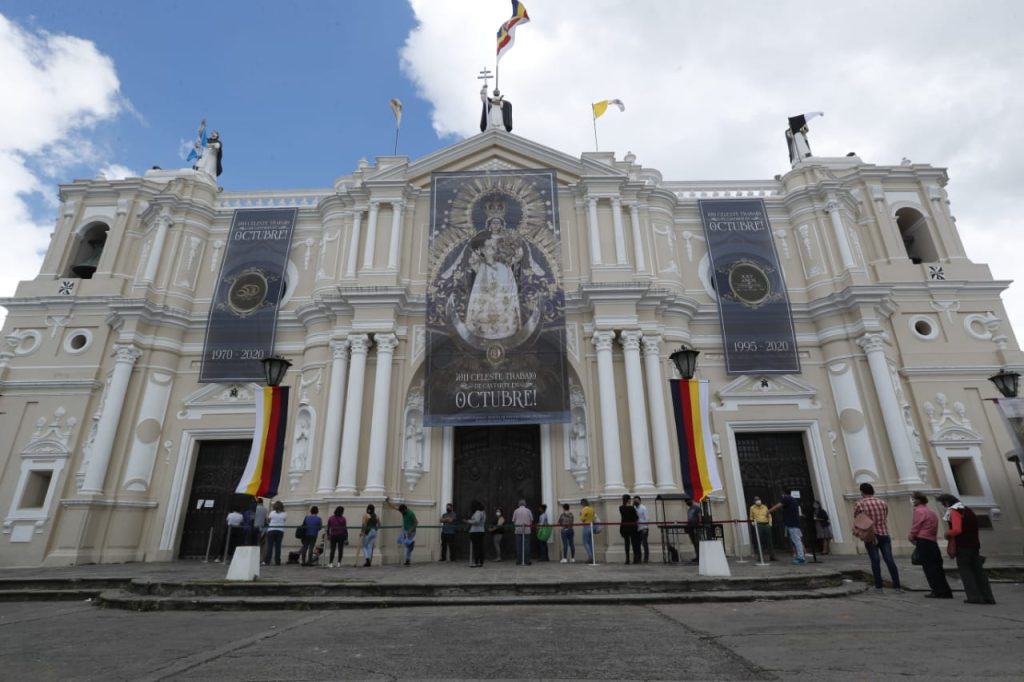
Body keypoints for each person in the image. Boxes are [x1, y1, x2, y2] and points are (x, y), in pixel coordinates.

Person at [937, 493, 995, 605]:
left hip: (963, 545)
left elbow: (957, 530)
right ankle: (988, 596)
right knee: (979, 571)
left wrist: (947, 533)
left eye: (944, 504)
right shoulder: (967, 510)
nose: (944, 506)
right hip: (974, 544)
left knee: (966, 571)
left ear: (948, 502)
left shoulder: (954, 512)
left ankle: (974, 597)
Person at [853, 483, 900, 592]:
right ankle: (897, 586)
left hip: (871, 535)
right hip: (884, 533)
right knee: (889, 560)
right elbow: (885, 515)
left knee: (875, 560)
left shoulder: (860, 504)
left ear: (862, 492)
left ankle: (879, 586)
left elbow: (857, 518)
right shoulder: (882, 502)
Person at [908, 492, 953, 599]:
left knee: (929, 567)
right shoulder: (931, 512)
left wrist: (911, 535)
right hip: (932, 541)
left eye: (913, 499)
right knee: (937, 567)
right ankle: (945, 590)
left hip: (924, 541)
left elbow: (916, 525)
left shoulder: (919, 511)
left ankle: (937, 590)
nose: (912, 501)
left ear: (918, 500)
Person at [768, 492, 805, 565]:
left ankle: (801, 558)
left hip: (792, 524)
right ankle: (800, 556)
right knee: (796, 541)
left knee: (796, 541)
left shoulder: (787, 498)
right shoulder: (792, 500)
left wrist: (768, 511)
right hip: (793, 524)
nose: (780, 500)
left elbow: (777, 506)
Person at [386, 497, 418, 565]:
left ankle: (407, 558)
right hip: (406, 531)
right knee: (400, 541)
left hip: (411, 532)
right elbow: (395, 507)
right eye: (401, 511)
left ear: (405, 509)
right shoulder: (402, 511)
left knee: (405, 544)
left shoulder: (411, 513)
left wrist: (411, 530)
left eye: (402, 511)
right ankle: (408, 558)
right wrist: (388, 502)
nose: (402, 513)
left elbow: (416, 522)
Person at [748, 496, 775, 561]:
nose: (758, 501)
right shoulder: (752, 508)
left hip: (766, 524)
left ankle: (772, 556)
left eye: (759, 499)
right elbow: (751, 517)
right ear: (754, 501)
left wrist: (770, 524)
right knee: (759, 541)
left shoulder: (764, 507)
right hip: (758, 525)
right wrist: (754, 524)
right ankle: (760, 557)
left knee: (769, 541)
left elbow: (769, 515)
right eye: (756, 500)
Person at [619, 494, 641, 565]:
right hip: (632, 527)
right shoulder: (632, 508)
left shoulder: (621, 508)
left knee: (627, 543)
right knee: (634, 543)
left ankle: (627, 559)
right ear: (628, 500)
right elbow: (636, 517)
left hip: (625, 527)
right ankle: (635, 559)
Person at [263, 500, 286, 566]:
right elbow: (284, 520)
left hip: (271, 530)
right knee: (278, 547)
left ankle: (268, 561)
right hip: (280, 530)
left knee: (270, 546)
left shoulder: (272, 513)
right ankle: (277, 561)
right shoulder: (284, 514)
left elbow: (269, 520)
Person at [512, 499, 534, 565]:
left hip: (518, 530)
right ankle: (527, 561)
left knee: (519, 546)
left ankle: (519, 561)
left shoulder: (516, 511)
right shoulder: (528, 511)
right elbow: (531, 520)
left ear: (519, 504)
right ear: (525, 504)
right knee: (526, 546)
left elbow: (513, 520)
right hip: (527, 530)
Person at [466, 500, 486, 567]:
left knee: (476, 548)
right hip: (481, 531)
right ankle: (481, 562)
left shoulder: (477, 512)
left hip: (475, 532)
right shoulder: (483, 512)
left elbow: (476, 521)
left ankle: (476, 562)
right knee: (480, 547)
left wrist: (468, 521)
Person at [684, 498, 703, 563]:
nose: (687, 502)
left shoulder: (696, 508)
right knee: (694, 543)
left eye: (688, 500)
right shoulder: (689, 510)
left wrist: (699, 524)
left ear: (692, 500)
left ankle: (701, 556)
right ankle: (697, 556)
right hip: (691, 527)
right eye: (686, 501)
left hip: (696, 527)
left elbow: (699, 516)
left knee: (698, 542)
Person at [633, 496, 650, 564]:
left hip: (643, 528)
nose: (635, 502)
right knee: (638, 544)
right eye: (634, 501)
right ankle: (639, 559)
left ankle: (646, 558)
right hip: (637, 528)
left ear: (640, 501)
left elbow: (647, 518)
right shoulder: (634, 508)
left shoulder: (643, 508)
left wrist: (645, 527)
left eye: (636, 501)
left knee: (644, 543)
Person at [579, 498, 595, 563]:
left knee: (585, 542)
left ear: (582, 503)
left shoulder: (584, 509)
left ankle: (590, 556)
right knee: (590, 543)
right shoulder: (591, 509)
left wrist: (580, 515)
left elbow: (582, 518)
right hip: (591, 526)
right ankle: (592, 557)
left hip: (586, 526)